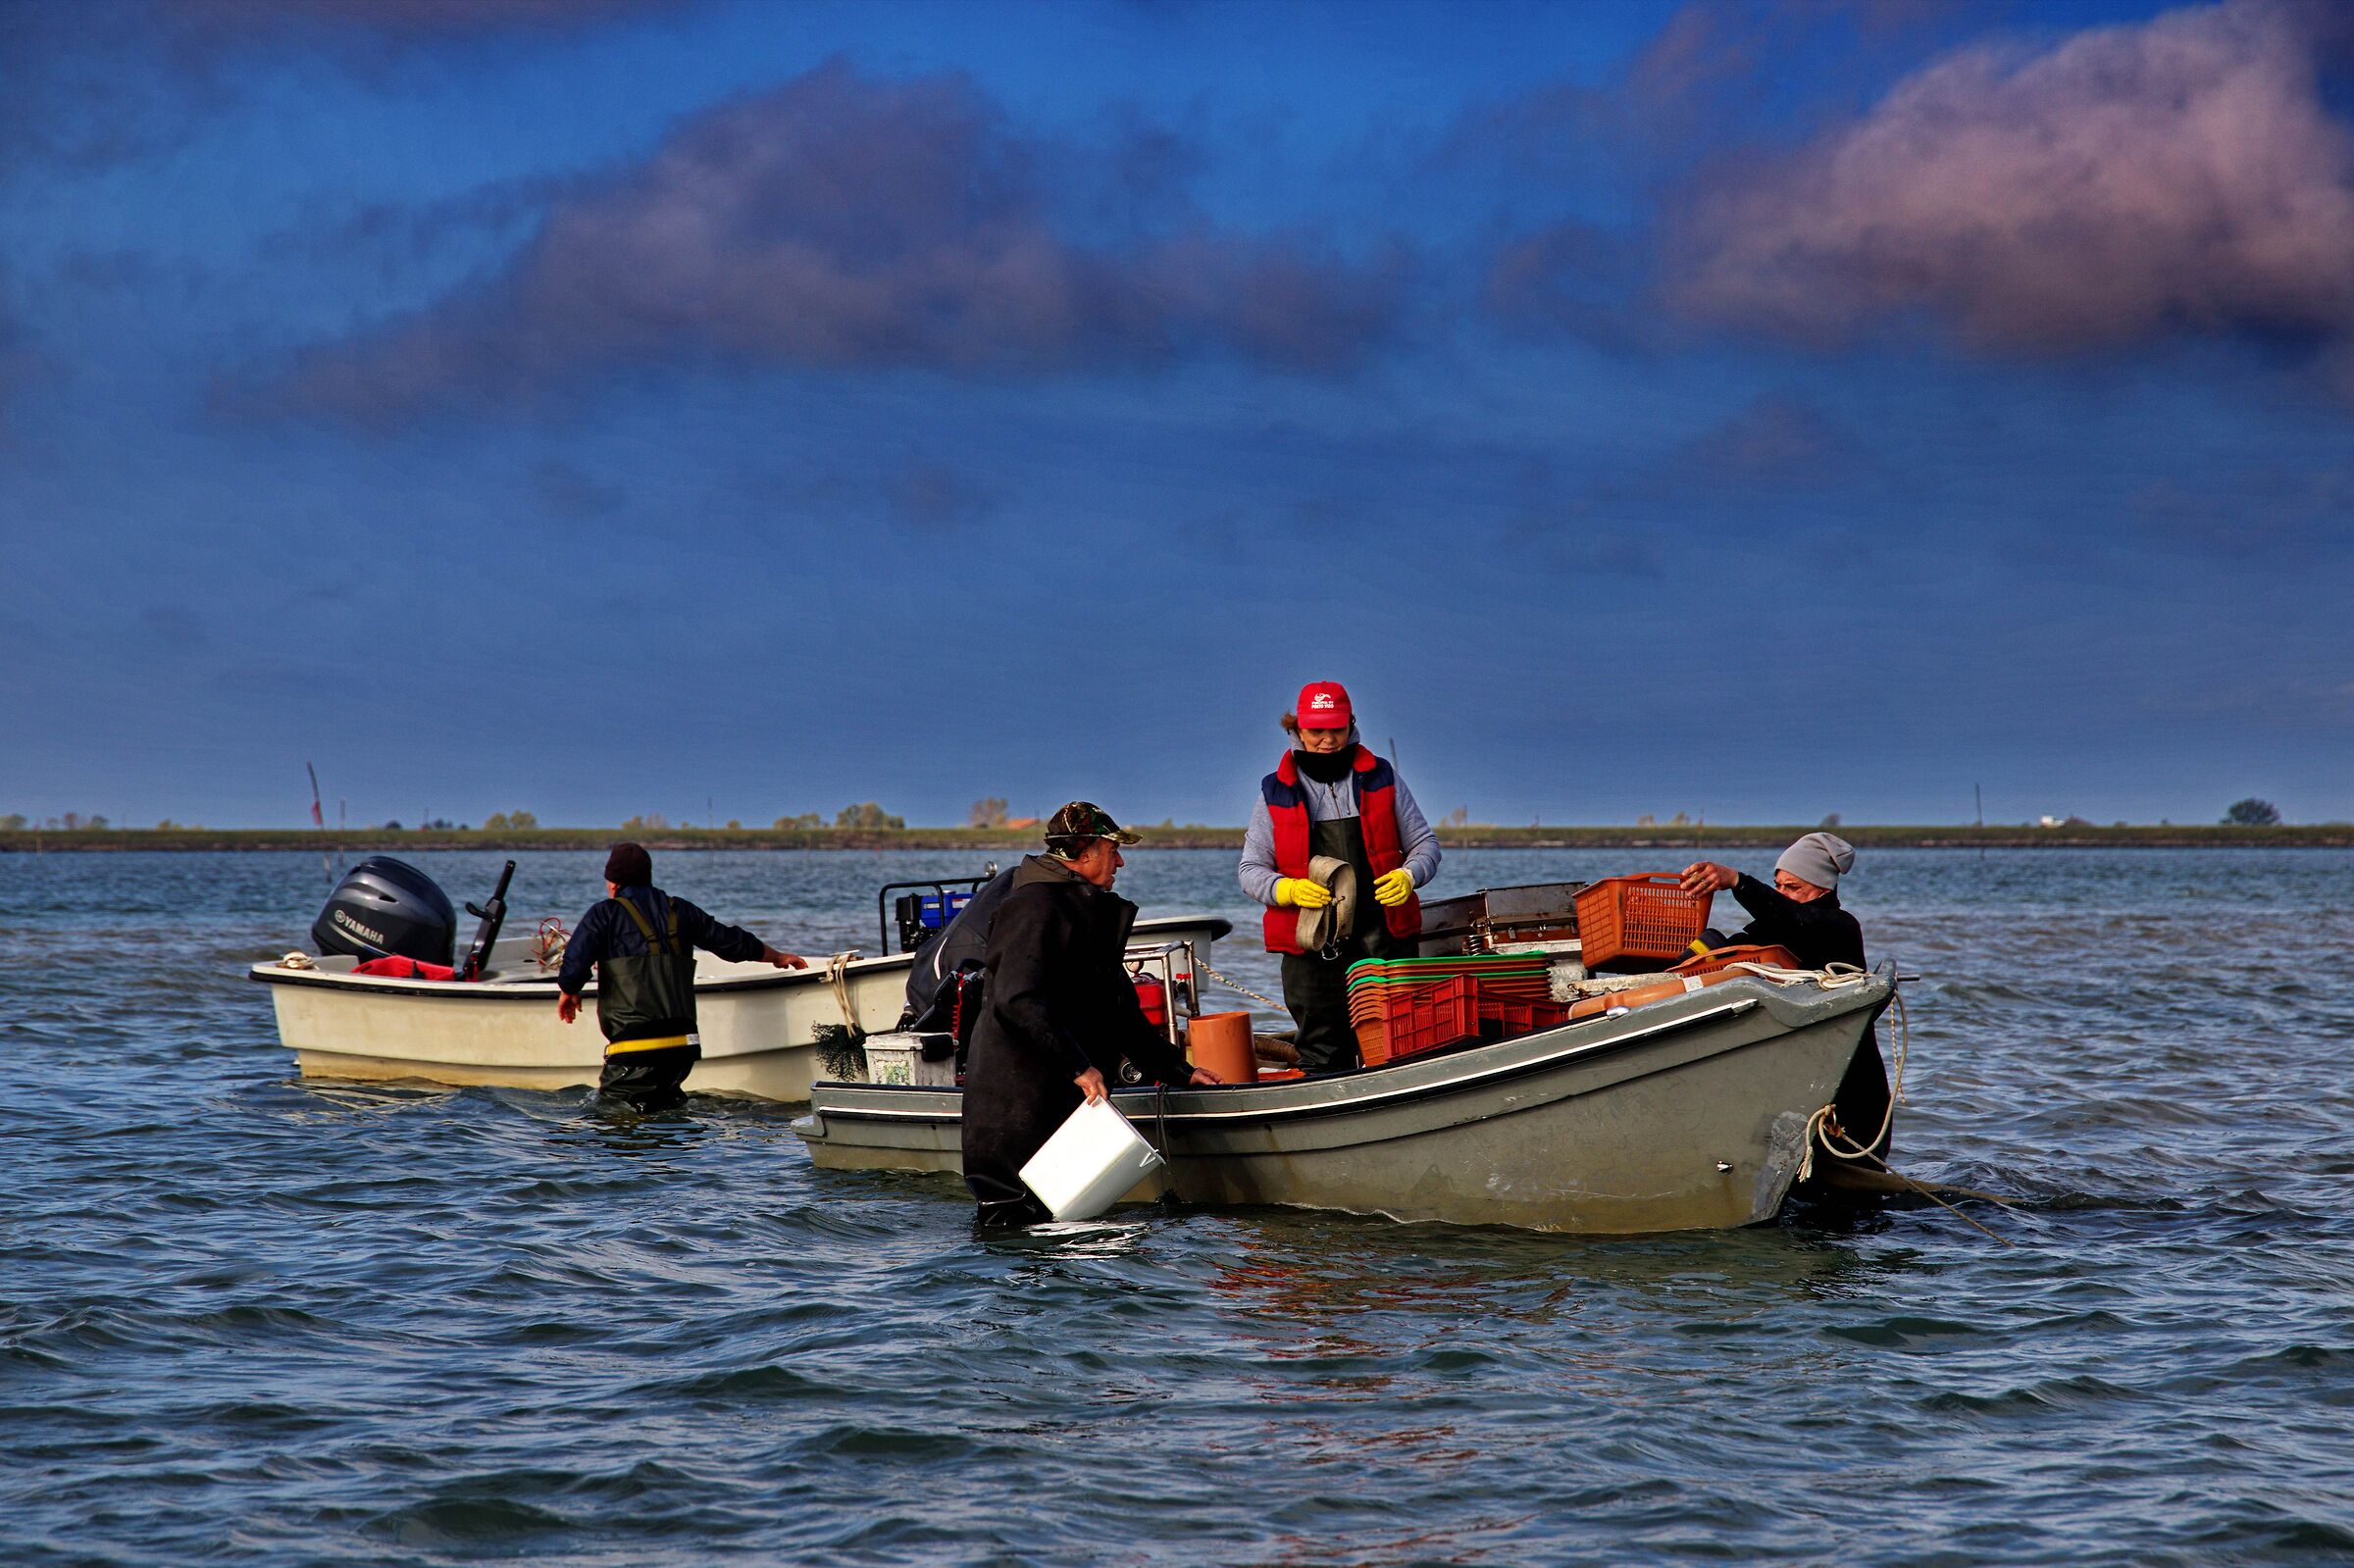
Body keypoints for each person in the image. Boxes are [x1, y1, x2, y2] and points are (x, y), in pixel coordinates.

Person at [961, 802, 1222, 1227]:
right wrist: (1079, 1067)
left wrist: (1179, 1071)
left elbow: (1118, 1012)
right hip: (1016, 1100)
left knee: (1063, 1222)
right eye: (1112, 850)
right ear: (1083, 853)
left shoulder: (1085, 908)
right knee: (1013, 1219)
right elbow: (1017, 999)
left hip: (1062, 1097)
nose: (1120, 861)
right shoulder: (1033, 907)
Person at [1238, 681, 1442, 1073]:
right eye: (1317, 730)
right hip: (1311, 949)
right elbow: (1250, 871)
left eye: (1337, 729)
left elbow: (1425, 845)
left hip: (1384, 939)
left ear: (1351, 725)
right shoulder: (1274, 792)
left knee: (1399, 1043)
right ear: (1298, 730)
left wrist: (1410, 875)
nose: (1328, 740)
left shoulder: (1383, 777)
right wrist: (1287, 889)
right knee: (1321, 1055)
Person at [1677, 832, 1889, 1156]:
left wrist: (1736, 881)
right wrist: (1667, 970)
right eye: (1778, 886)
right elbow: (1732, 949)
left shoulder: (1839, 926)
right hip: (1800, 1082)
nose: (1782, 894)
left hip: (1852, 1098)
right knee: (1713, 941)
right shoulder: (1777, 926)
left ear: (1823, 889)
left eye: (1793, 887)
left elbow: (1798, 920)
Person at [555, 842, 808, 1110]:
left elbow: (574, 965)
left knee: (612, 1118)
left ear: (614, 884)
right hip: (683, 1047)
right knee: (667, 1112)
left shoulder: (604, 913)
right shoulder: (681, 911)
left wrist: (569, 990)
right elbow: (731, 942)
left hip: (635, 1049)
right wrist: (777, 956)